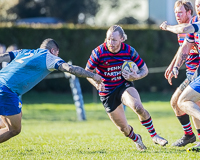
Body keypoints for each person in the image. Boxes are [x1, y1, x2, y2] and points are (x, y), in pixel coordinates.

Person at [0, 38, 102, 143]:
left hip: (3, 85)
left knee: (10, 119)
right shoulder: (49, 57)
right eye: (57, 54)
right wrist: (92, 75)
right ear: (53, 51)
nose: (57, 57)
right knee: (14, 129)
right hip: (6, 91)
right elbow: (70, 68)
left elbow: (2, 57)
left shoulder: (24, 52)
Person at [85, 25, 168, 151]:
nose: (110, 43)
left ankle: (154, 135)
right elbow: (88, 72)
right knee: (124, 129)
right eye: (108, 39)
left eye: (114, 40)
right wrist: (96, 83)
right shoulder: (98, 52)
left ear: (122, 39)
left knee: (138, 107)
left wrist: (136, 76)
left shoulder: (129, 50)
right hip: (107, 92)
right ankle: (137, 139)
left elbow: (144, 69)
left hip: (124, 85)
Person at [160, 0, 200, 152]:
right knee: (184, 103)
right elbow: (184, 48)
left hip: (195, 74)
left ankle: (189, 135)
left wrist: (167, 27)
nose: (177, 15)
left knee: (183, 102)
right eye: (175, 13)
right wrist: (174, 66)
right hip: (192, 74)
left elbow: (184, 29)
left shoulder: (193, 24)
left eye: (180, 12)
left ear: (189, 13)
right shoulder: (187, 30)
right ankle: (190, 136)